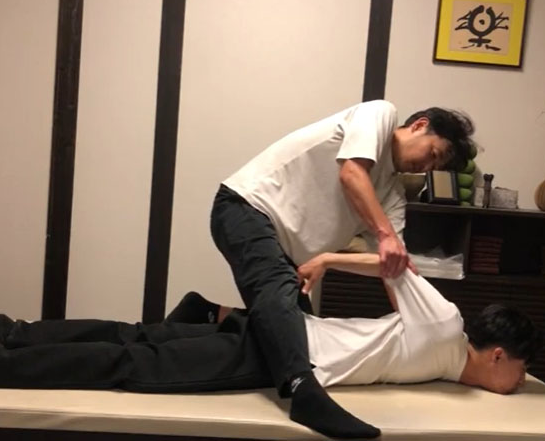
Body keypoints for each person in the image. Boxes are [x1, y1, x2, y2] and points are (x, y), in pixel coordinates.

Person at [0, 251, 542, 439]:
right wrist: (327, 260)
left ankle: (14, 331)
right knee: (135, 363)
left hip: (274, 333)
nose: (519, 383)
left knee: (136, 335)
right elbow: (394, 263)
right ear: (498, 354)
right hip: (281, 351)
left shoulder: (441, 359)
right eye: (521, 371)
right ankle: (2, 358)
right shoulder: (445, 327)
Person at [200, 100, 477, 437]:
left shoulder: (391, 195)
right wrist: (385, 235)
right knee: (285, 328)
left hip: (285, 252)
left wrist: (412, 315)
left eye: (435, 166)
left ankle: (203, 313)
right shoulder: (380, 114)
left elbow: (390, 265)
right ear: (419, 125)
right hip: (247, 207)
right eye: (433, 153)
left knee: (299, 335)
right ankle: (303, 393)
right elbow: (351, 174)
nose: (426, 166)